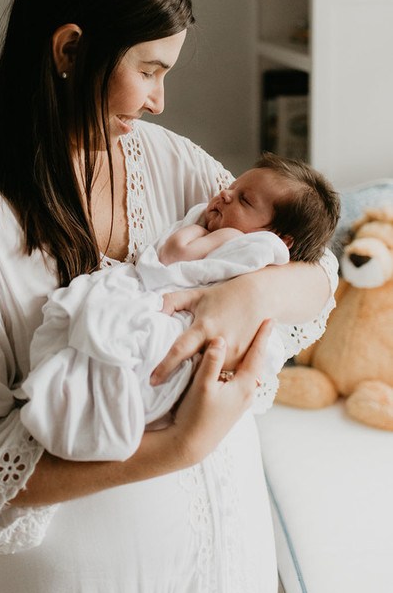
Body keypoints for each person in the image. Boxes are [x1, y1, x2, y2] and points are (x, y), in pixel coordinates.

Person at [0, 0, 338, 593]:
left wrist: (253, 293)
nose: (158, 100)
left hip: (227, 570)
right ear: (69, 49)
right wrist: (179, 447)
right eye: (149, 70)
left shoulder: (163, 158)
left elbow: (317, 273)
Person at [19, 153, 340, 461]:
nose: (225, 194)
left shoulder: (243, 241)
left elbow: (172, 255)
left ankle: (74, 401)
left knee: (118, 338)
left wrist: (198, 225)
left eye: (245, 200)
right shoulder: (257, 246)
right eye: (233, 187)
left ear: (281, 239)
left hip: (179, 317)